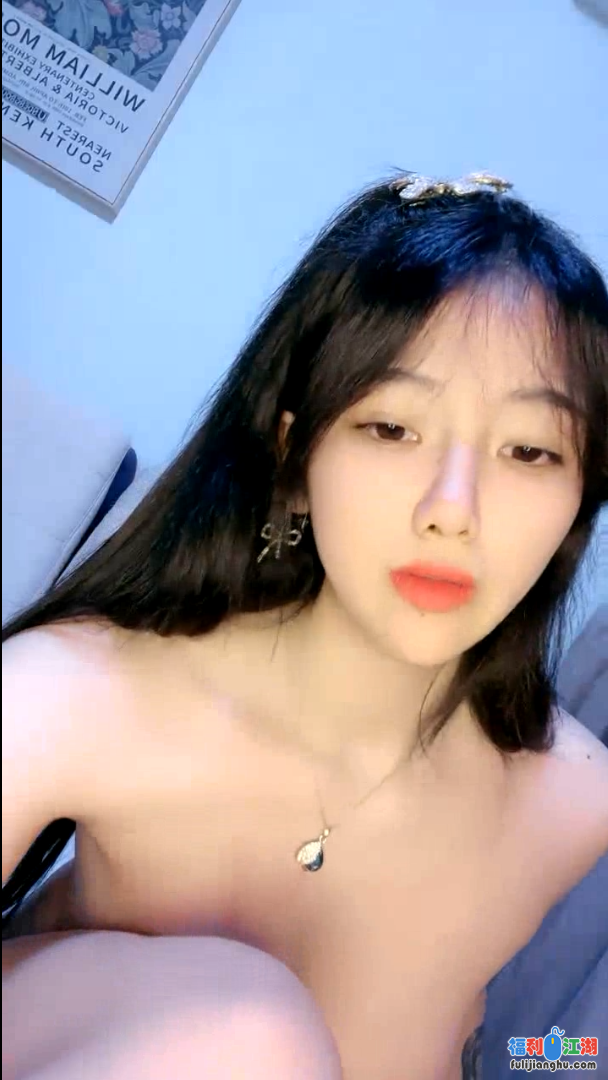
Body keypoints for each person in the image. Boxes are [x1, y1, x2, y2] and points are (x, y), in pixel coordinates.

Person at [3, 171, 608, 1080]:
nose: (453, 510)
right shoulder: (78, 696)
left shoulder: (571, 805)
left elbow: (519, 1050)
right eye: (392, 428)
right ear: (293, 456)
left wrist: (550, 1061)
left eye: (528, 450)